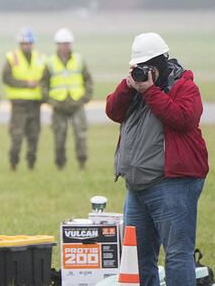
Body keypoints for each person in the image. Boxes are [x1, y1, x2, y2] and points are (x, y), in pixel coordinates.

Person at [105, 32, 208, 286]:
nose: (144, 71)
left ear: (161, 61)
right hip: (137, 187)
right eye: (138, 66)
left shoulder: (184, 86)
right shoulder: (136, 88)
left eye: (148, 65)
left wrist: (150, 91)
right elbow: (112, 111)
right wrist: (127, 86)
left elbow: (183, 118)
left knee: (177, 255)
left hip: (173, 183)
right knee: (138, 258)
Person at [41, 28, 93, 170]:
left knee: (80, 136)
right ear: (57, 45)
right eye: (62, 43)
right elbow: (43, 84)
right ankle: (60, 165)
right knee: (59, 137)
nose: (65, 46)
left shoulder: (79, 60)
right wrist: (51, 101)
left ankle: (82, 163)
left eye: (67, 43)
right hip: (59, 106)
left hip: (77, 104)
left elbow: (88, 80)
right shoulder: (49, 62)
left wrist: (84, 98)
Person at [2, 27, 45, 170]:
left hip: (35, 103)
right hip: (18, 104)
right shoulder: (11, 57)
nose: (26, 46)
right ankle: (13, 164)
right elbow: (6, 77)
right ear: (19, 44)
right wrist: (26, 84)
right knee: (17, 135)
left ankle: (31, 165)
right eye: (23, 43)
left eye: (29, 43)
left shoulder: (40, 58)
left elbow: (45, 78)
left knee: (34, 136)